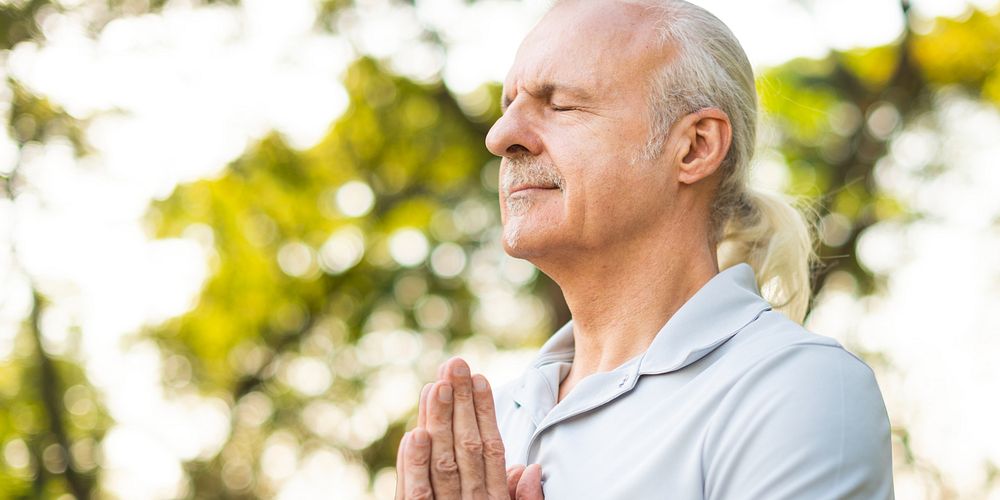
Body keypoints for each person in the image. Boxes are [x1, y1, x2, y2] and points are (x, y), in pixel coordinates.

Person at [395, 0, 895, 498]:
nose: (500, 137)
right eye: (509, 106)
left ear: (695, 147)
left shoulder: (797, 388)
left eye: (560, 105)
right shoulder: (484, 430)